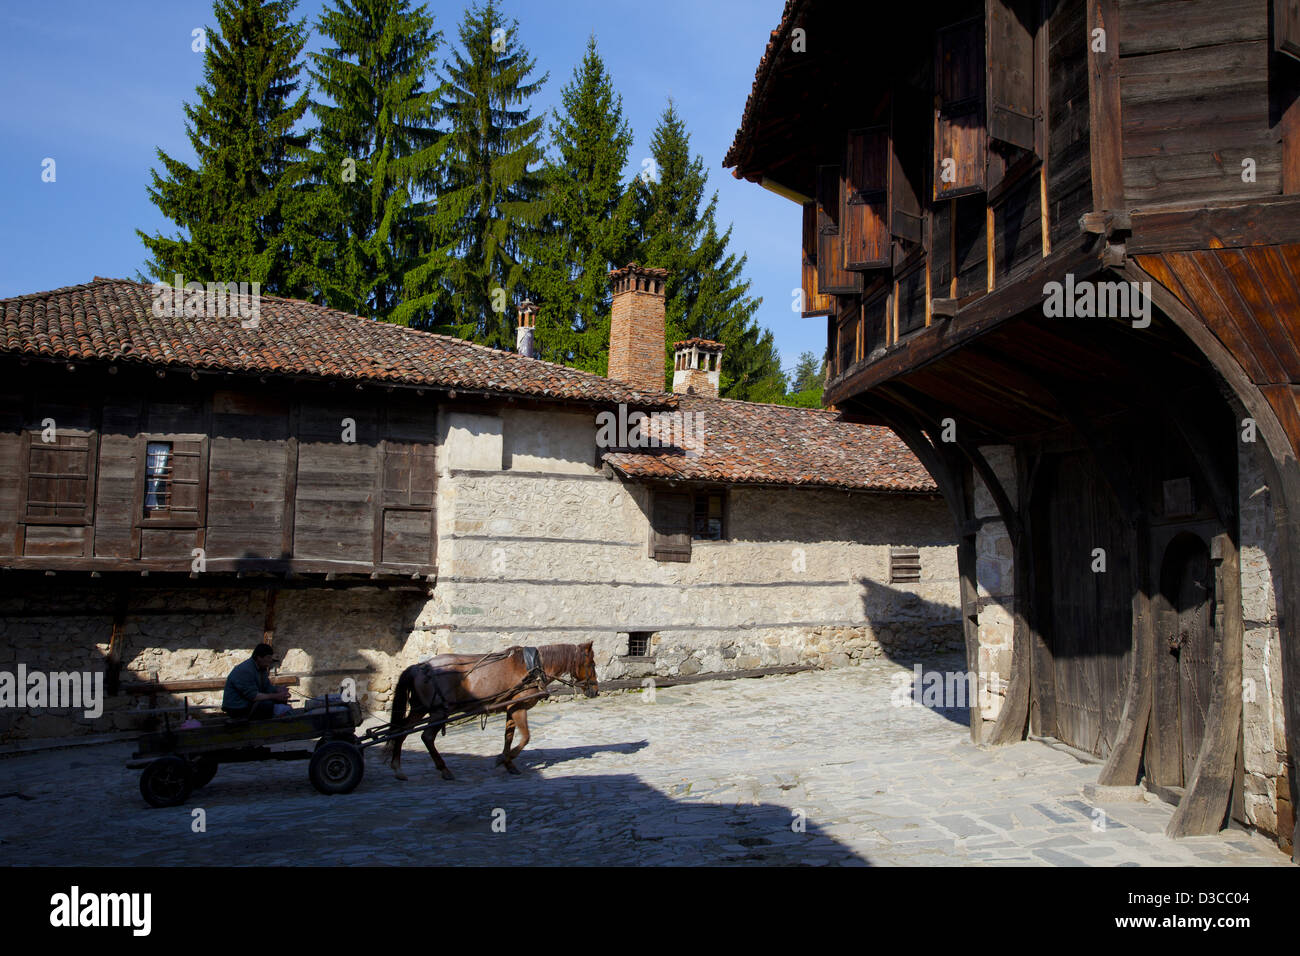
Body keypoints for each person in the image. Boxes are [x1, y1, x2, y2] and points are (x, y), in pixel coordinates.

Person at [222, 644, 292, 719]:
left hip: (249, 704)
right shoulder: (245, 670)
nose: (270, 660)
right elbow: (253, 696)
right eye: (268, 657)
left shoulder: (262, 669)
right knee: (267, 705)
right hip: (237, 707)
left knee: (280, 701)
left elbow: (266, 687)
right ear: (259, 658)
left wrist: (278, 689)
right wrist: (276, 696)